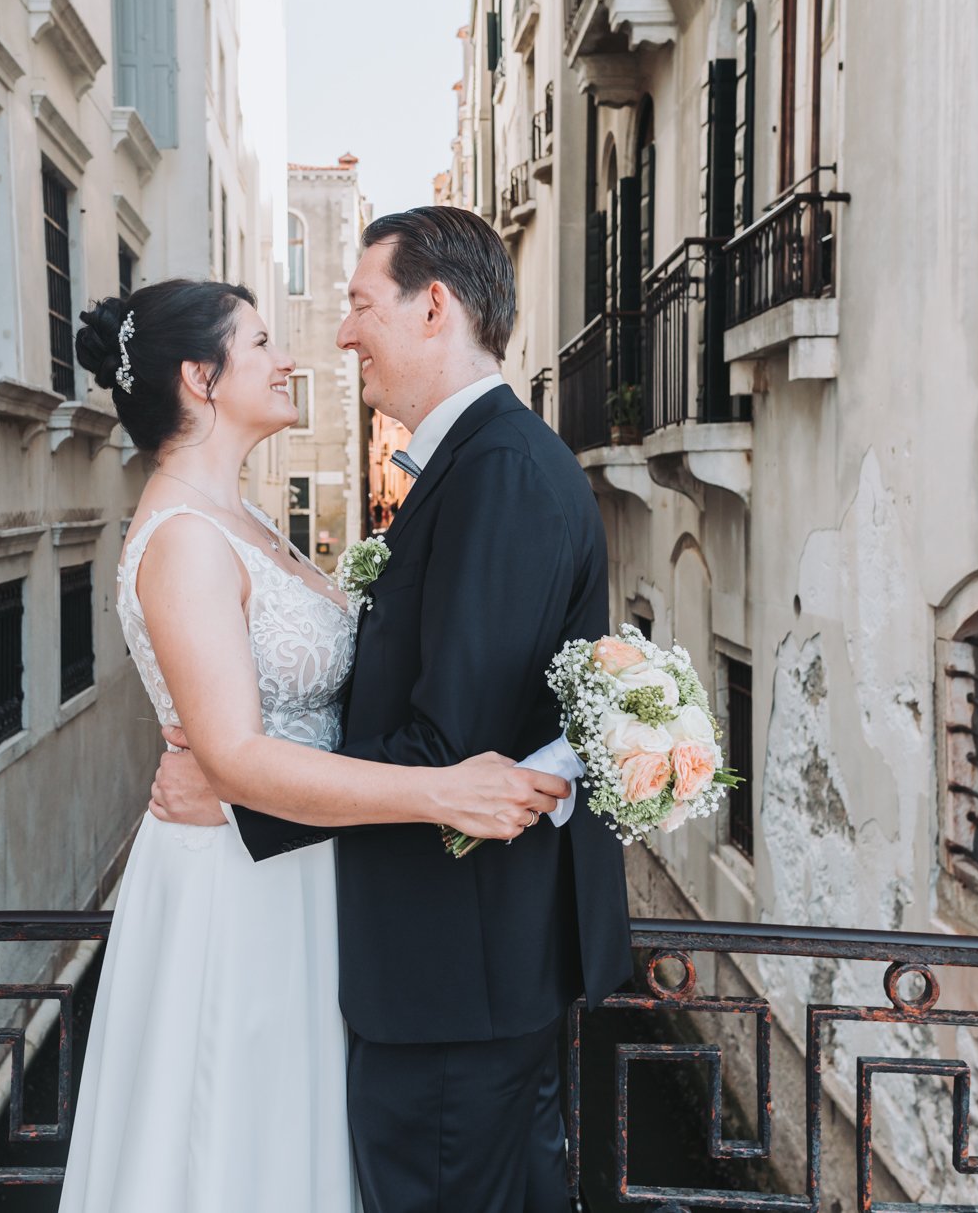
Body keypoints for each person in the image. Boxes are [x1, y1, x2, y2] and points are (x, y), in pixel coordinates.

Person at [151, 206, 633, 1213]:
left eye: (357, 304)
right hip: (454, 970)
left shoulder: (496, 472)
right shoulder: (482, 463)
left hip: (452, 981)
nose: (336, 335)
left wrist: (241, 788)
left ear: (433, 308)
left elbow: (448, 749)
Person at [56, 275, 570, 1213]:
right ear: (199, 378)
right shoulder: (181, 539)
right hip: (234, 887)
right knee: (232, 1141)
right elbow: (239, 756)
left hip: (299, 865)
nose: (291, 355)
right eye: (260, 343)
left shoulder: (246, 520)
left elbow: (267, 743)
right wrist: (442, 791)